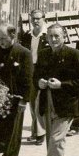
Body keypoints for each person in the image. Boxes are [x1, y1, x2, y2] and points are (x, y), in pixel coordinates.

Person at [34, 24, 79, 156]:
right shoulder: (43, 54)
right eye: (50, 36)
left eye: (57, 36)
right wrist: (39, 82)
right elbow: (35, 76)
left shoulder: (74, 54)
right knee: (54, 142)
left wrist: (61, 85)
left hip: (65, 105)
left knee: (55, 140)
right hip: (47, 103)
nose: (53, 40)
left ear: (64, 36)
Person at [0, 24, 32, 156]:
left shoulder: (24, 53)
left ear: (12, 36)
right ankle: (4, 150)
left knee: (13, 129)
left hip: (16, 97)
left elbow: (28, 78)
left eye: (3, 38)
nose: (0, 41)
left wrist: (24, 100)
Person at [20, 9, 50, 145]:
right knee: (32, 103)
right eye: (33, 19)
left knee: (39, 103)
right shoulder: (27, 36)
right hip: (30, 70)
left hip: (44, 71)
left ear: (44, 19)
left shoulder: (48, 35)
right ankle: (35, 131)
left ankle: (41, 133)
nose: (35, 21)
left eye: (38, 18)